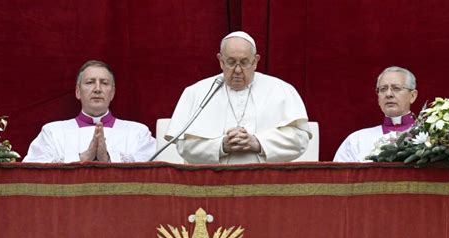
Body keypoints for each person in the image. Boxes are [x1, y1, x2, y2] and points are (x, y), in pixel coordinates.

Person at [165, 31, 312, 164]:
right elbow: (183, 145)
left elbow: (300, 140)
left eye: (244, 62)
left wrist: (257, 142)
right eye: (230, 62)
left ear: (255, 62)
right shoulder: (197, 92)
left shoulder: (281, 90)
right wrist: (221, 146)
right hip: (212, 183)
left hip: (266, 183)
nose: (237, 70)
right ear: (220, 61)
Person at [23, 60, 156, 163]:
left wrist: (108, 158)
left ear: (113, 93)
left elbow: (155, 170)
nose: (97, 89)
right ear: (77, 92)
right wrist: (81, 158)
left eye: (104, 83)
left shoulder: (138, 132)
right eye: (90, 82)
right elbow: (32, 172)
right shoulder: (52, 132)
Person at [333, 66, 418, 162]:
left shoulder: (431, 138)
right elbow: (339, 176)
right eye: (383, 89)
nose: (388, 94)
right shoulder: (356, 140)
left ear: (412, 96)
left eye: (396, 88)